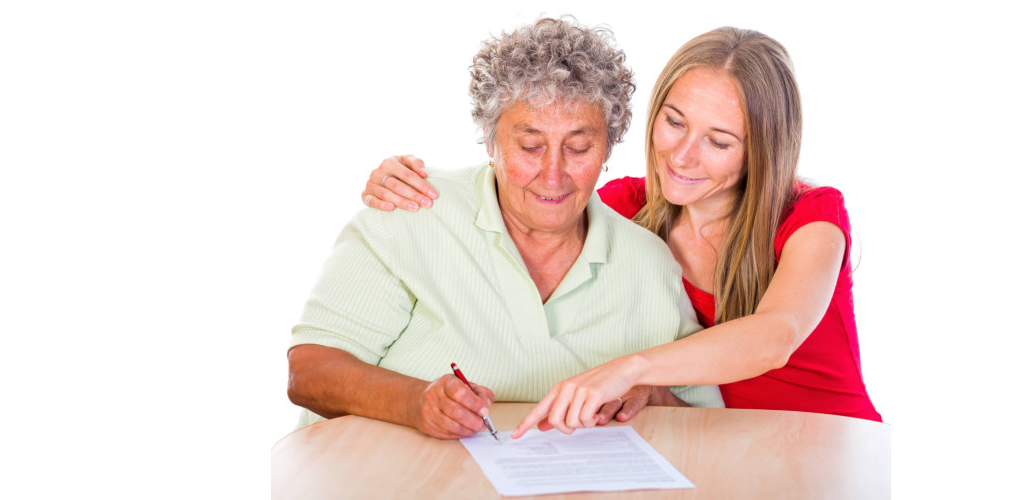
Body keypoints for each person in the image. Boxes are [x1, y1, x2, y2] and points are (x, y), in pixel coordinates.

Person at [357, 26, 882, 436]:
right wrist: (409, 179)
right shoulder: (630, 206)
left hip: (829, 441)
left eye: (718, 141)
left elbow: (775, 337)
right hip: (717, 441)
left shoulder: (812, 217)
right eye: (674, 121)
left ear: (762, 149)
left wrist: (632, 370)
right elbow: (532, 188)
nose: (682, 155)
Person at [287, 17, 722, 440]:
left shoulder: (649, 263)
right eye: (530, 146)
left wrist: (653, 391)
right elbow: (308, 371)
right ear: (491, 140)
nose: (553, 175)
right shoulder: (411, 208)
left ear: (608, 146)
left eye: (578, 147)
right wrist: (416, 401)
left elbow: (707, 424)